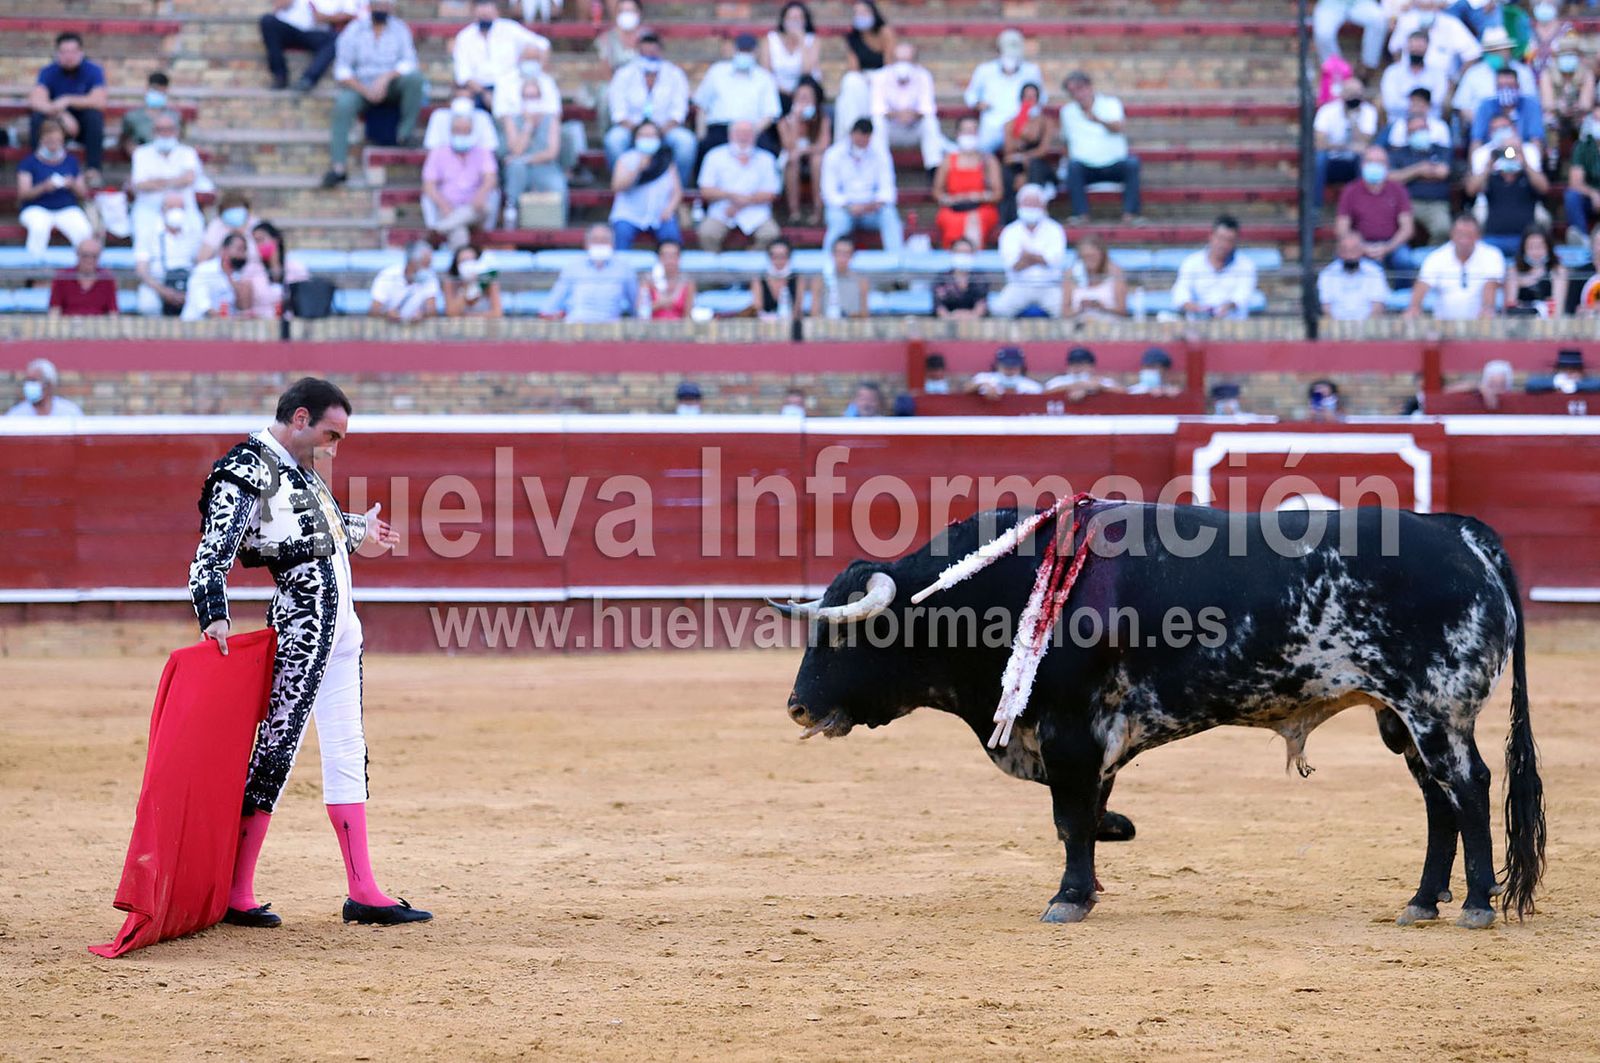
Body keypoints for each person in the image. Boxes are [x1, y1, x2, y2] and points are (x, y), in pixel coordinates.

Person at [189, 378, 428, 929]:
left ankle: (363, 890)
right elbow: (213, 552)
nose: (334, 447)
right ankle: (235, 890)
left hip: (342, 625)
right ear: (300, 418)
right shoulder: (246, 467)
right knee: (277, 750)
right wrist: (214, 613)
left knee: (348, 747)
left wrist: (360, 529)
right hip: (301, 623)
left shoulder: (301, 470)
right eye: (330, 434)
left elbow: (313, 530)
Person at [322, 0, 426, 189]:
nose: (381, 9)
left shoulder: (399, 29)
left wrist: (385, 79)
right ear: (369, 7)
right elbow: (342, 70)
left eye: (384, 5)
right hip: (362, 86)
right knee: (343, 106)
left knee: (416, 80)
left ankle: (405, 135)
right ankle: (339, 167)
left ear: (391, 8)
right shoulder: (354, 30)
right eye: (377, 5)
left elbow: (409, 62)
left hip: (392, 84)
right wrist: (365, 90)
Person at [605, 32, 696, 185]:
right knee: (614, 140)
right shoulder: (624, 74)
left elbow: (678, 112)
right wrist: (640, 131)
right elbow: (618, 112)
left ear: (660, 51)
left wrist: (657, 132)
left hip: (665, 129)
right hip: (631, 128)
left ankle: (679, 190)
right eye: (644, 53)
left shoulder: (675, 74)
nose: (648, 56)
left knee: (686, 142)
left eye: (652, 53)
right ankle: (623, 184)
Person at [1058, 71, 1142, 226]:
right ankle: (1081, 215)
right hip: (1086, 168)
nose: (1078, 94)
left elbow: (1119, 127)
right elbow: (1066, 142)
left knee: (1132, 164)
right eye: (1072, 92)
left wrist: (1098, 120)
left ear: (1089, 87)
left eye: (1080, 89)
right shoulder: (1067, 112)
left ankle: (1130, 215)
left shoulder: (1110, 104)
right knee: (1072, 167)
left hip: (1114, 164)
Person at [692, 34, 782, 174]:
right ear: (734, 50)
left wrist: (746, 132)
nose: (744, 54)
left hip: (753, 130)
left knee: (769, 151)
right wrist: (701, 134)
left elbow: (770, 114)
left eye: (748, 51)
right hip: (719, 129)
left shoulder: (764, 77)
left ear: (756, 52)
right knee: (704, 148)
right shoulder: (717, 71)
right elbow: (702, 106)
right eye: (741, 50)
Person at [29, 32, 107, 187]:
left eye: (73, 51)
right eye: (64, 52)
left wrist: (67, 100)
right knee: (37, 118)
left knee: (94, 117)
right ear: (57, 54)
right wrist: (61, 114)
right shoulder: (49, 71)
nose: (69, 56)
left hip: (84, 129)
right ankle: (37, 168)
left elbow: (99, 101)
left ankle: (93, 171)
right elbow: (36, 101)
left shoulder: (93, 70)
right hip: (58, 125)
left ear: (81, 53)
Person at [1466, 114, 1549, 256]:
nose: (1501, 132)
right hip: (1485, 206)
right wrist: (1490, 164)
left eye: (1504, 127)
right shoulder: (1484, 153)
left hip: (1528, 203)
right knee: (1476, 218)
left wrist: (1522, 159)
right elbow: (1471, 190)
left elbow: (1544, 187)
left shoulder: (1528, 150)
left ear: (1514, 129)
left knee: (1544, 218)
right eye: (1496, 129)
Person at [696, 120, 782, 252]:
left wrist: (741, 203)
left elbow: (771, 193)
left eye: (747, 133)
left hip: (756, 211)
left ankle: (751, 264)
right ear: (730, 135)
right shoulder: (714, 156)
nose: (743, 137)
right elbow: (705, 191)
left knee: (770, 234)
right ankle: (718, 268)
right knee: (707, 233)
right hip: (722, 210)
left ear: (755, 136)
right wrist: (731, 196)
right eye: (739, 133)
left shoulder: (766, 158)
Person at [452, 0, 549, 115]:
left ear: (496, 11)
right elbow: (463, 75)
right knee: (463, 106)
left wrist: (541, 71)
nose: (484, 13)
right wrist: (484, 94)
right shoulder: (464, 37)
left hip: (511, 86)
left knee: (530, 97)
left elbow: (543, 44)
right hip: (479, 90)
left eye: (487, 9)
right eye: (481, 10)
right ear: (473, 12)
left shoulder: (510, 28)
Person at [820, 118, 903, 252]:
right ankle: (828, 263)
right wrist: (849, 206)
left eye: (866, 138)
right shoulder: (834, 154)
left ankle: (896, 261)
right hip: (843, 208)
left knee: (889, 216)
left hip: (871, 208)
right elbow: (828, 192)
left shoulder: (880, 153)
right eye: (859, 136)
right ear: (852, 134)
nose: (862, 141)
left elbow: (888, 188)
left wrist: (874, 204)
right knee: (838, 223)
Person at [501, 69, 569, 228]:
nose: (531, 100)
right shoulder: (511, 119)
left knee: (558, 185)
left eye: (534, 96)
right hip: (520, 168)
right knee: (516, 168)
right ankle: (511, 213)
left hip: (545, 167)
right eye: (527, 96)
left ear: (541, 97)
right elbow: (516, 150)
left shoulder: (551, 119)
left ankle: (560, 224)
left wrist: (525, 159)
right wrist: (528, 125)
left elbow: (552, 152)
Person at [16, 119, 92, 259]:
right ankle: (35, 273)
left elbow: (83, 193)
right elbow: (23, 194)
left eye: (57, 139)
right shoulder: (28, 162)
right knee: (39, 228)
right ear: (41, 139)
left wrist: (72, 184)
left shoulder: (71, 161)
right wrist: (44, 187)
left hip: (66, 209)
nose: (53, 143)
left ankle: (81, 271)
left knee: (83, 230)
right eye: (49, 139)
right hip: (37, 208)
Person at [422, 113, 499, 250]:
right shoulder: (438, 153)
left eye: (466, 131)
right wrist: (443, 204)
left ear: (472, 132)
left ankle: (438, 229)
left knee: (481, 208)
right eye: (458, 130)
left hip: (476, 210)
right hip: (448, 208)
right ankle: (463, 264)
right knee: (458, 231)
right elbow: (429, 186)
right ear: (450, 131)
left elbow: (491, 179)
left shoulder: (482, 152)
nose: (462, 134)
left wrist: (480, 195)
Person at [988, 184, 1067, 318]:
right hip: (1019, 285)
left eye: (1034, 204)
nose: (1030, 208)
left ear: (1043, 206)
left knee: (1065, 312)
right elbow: (1014, 266)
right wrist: (1038, 258)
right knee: (998, 310)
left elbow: (1053, 261)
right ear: (1019, 206)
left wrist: (1026, 256)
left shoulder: (1055, 229)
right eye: (1027, 204)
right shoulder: (1010, 231)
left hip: (1049, 285)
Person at [1406, 214, 1505, 319]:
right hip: (1443, 326)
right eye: (1460, 234)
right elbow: (1423, 284)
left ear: (1478, 236)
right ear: (1452, 234)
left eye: (1469, 235)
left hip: (1481, 326)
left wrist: (1487, 310)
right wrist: (1414, 307)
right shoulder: (1437, 257)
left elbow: (1490, 286)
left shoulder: (1492, 255)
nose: (1464, 240)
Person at [129, 110, 203, 250]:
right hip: (149, 210)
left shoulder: (188, 153)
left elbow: (189, 178)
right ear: (153, 132)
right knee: (144, 245)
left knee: (195, 238)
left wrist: (157, 181)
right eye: (160, 130)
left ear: (176, 131)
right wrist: (176, 180)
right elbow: (140, 184)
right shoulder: (141, 154)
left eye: (169, 129)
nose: (165, 133)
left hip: (184, 209)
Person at [1335, 145, 1414, 268]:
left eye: (1380, 162)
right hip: (1360, 244)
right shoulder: (1351, 190)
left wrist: (1387, 248)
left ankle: (1401, 289)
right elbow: (1341, 228)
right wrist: (1361, 247)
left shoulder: (1398, 190)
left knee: (1405, 259)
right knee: (1343, 258)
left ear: (1387, 167)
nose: (1374, 166)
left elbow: (1407, 228)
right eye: (1370, 161)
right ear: (1362, 165)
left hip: (1392, 244)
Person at [870, 40, 944, 173]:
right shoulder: (880, 76)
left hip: (914, 128)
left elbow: (928, 108)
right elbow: (877, 108)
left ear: (915, 62)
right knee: (877, 123)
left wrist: (912, 114)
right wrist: (898, 114)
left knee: (930, 123)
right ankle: (880, 168)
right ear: (892, 61)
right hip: (891, 128)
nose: (903, 65)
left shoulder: (924, 75)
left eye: (907, 60)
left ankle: (934, 169)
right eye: (899, 60)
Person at [965, 29, 1043, 155]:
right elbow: (970, 95)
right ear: (999, 51)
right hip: (992, 123)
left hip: (1020, 124)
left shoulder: (1032, 71)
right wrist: (978, 103)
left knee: (1021, 158)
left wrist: (1030, 117)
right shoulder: (985, 70)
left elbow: (1041, 98)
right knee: (981, 153)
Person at [609, 121, 683, 250]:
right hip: (628, 215)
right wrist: (638, 169)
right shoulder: (626, 159)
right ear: (636, 138)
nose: (647, 139)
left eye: (651, 136)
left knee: (672, 241)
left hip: (660, 215)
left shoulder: (666, 161)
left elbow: (677, 192)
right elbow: (617, 186)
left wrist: (669, 209)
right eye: (643, 135)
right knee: (620, 237)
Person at [1453, 27, 1538, 138]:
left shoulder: (1523, 72)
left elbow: (1530, 103)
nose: (1496, 54)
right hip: (1483, 133)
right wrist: (1486, 126)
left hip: (1520, 131)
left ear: (1508, 50)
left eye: (1499, 50)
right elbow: (1462, 107)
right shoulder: (1473, 73)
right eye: (1492, 51)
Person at [544, 225, 639, 322]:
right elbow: (550, 306)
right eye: (595, 240)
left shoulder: (624, 269)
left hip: (611, 327)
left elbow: (637, 307)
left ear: (613, 245)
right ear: (586, 245)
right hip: (575, 326)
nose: (600, 244)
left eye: (604, 240)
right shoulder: (572, 268)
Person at [1170, 215, 1259, 320]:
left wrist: (1228, 307)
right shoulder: (1192, 262)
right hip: (1198, 325)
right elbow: (1181, 291)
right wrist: (1193, 306)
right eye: (1220, 238)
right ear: (1211, 236)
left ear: (1235, 241)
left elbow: (1243, 295)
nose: (1223, 244)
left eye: (1229, 240)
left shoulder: (1246, 265)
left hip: (1233, 325)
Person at [1387, 108, 1454, 243]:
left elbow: (1443, 172)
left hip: (1436, 204)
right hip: (1406, 203)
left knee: (1443, 228)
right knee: (1394, 229)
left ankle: (1431, 258)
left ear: (1428, 129)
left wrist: (1406, 175)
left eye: (1422, 129)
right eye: (1414, 131)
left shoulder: (1441, 150)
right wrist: (1418, 169)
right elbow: (1391, 178)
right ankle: (1403, 260)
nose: (1419, 133)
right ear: (1408, 133)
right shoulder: (1399, 153)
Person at [933, 116, 1001, 248]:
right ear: (958, 134)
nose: (969, 135)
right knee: (951, 221)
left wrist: (978, 196)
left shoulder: (988, 161)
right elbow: (937, 191)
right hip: (953, 208)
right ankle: (955, 263)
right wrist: (949, 199)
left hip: (982, 208)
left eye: (973, 131)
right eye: (965, 131)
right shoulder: (948, 160)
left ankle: (971, 263)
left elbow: (998, 193)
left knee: (974, 220)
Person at [1313, 77, 1379, 210]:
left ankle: (1363, 209)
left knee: (1366, 159)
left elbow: (1366, 142)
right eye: (1350, 93)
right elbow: (1319, 144)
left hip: (1355, 162)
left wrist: (1353, 121)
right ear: (1342, 94)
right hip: (1331, 161)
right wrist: (1346, 146)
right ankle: (1314, 208)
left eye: (1357, 94)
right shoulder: (1327, 111)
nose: (1353, 97)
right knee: (1319, 158)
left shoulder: (1368, 111)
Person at [834, 1, 894, 144]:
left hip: (883, 77)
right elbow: (853, 67)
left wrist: (874, 79)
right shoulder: (853, 38)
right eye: (857, 13)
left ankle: (861, 135)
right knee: (848, 87)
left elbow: (889, 64)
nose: (861, 16)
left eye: (864, 12)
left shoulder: (885, 32)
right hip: (863, 78)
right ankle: (850, 134)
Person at [135, 192, 203, 316]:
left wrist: (190, 290)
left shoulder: (194, 233)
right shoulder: (148, 233)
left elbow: (200, 264)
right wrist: (163, 291)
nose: (176, 212)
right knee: (147, 305)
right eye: (172, 207)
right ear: (162, 209)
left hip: (188, 284)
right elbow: (142, 270)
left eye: (180, 208)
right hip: (158, 284)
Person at [776, 77, 831, 224]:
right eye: (800, 97)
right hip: (793, 158)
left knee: (817, 160)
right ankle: (794, 211)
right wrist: (795, 120)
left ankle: (818, 210)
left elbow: (823, 145)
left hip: (813, 157)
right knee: (792, 160)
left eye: (808, 98)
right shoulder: (784, 120)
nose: (804, 101)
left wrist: (804, 151)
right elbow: (789, 146)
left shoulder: (822, 118)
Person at [260, 0, 346, 92]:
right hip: (290, 29)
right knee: (267, 20)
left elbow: (349, 14)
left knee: (337, 38)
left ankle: (308, 79)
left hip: (316, 32)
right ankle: (280, 76)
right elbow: (280, 4)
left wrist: (325, 17)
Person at [999, 83, 1054, 225]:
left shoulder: (1045, 122)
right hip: (1017, 166)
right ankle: (1008, 220)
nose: (1030, 101)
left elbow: (1043, 151)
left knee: (1035, 168)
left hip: (1038, 166)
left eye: (1033, 97)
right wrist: (1020, 132)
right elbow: (1008, 152)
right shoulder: (1010, 123)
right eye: (1027, 97)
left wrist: (1025, 158)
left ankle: (1036, 217)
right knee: (1007, 175)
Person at [1386, 0, 1481, 82]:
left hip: (1441, 83)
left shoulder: (1451, 24)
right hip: (1408, 83)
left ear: (1438, 6)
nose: (1426, 12)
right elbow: (1395, 49)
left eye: (1429, 8)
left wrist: (1456, 80)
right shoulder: (1406, 21)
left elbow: (1472, 53)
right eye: (1423, 8)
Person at [182, 232, 267, 320]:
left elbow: (241, 309)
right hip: (196, 325)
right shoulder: (204, 270)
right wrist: (233, 318)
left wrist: (236, 285)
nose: (242, 255)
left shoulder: (238, 275)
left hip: (224, 327)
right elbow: (204, 307)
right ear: (224, 250)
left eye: (244, 250)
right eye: (239, 249)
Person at [1469, 64, 1546, 153]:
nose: (1506, 90)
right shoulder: (1485, 106)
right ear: (1496, 87)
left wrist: (1535, 164)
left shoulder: (1531, 105)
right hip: (1493, 152)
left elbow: (1536, 139)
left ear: (1518, 86)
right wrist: (1474, 165)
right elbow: (1476, 140)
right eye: (1501, 86)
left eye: (1510, 86)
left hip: (1522, 151)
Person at [1318, 230, 1390, 321]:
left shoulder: (1375, 272)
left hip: (1368, 328)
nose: (1349, 256)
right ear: (1338, 252)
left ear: (1361, 251)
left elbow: (1378, 306)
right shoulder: (1327, 274)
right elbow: (1326, 308)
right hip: (1336, 328)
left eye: (1353, 250)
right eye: (1345, 250)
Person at [762, 2, 821, 107]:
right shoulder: (771, 39)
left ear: (805, 21)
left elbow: (807, 71)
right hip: (777, 90)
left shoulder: (812, 40)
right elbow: (766, 73)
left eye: (799, 18)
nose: (795, 21)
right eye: (791, 17)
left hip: (804, 91)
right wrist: (783, 90)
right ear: (784, 20)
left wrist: (802, 41)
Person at [1540, 35, 1592, 153]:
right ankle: (1551, 156)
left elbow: (1586, 104)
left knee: (1588, 124)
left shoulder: (1586, 73)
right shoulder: (1547, 74)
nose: (1568, 58)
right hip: (1556, 113)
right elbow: (1548, 103)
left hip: (1578, 114)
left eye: (1572, 55)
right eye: (1565, 55)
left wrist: (1576, 107)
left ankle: (1586, 156)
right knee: (1548, 120)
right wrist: (1559, 106)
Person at [368, 239, 441, 324]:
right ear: (412, 262)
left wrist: (423, 315)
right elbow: (374, 310)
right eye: (425, 265)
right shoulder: (387, 275)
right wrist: (386, 314)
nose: (428, 269)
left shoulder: (430, 277)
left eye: (429, 265)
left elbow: (432, 311)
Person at [1380, 32, 1450, 120]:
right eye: (1414, 48)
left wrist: (1415, 105)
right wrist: (1418, 105)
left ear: (1427, 48)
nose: (1416, 51)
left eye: (1420, 48)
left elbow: (1438, 100)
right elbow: (1390, 103)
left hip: (1430, 123)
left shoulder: (1438, 73)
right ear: (1407, 47)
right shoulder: (1392, 72)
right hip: (1399, 122)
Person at [1503, 226, 1568, 316]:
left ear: (1548, 247)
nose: (1536, 252)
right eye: (1531, 247)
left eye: (1540, 247)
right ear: (1523, 249)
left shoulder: (1558, 270)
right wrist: (1519, 282)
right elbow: (1510, 308)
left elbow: (1558, 310)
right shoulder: (1513, 270)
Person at [1314, 0, 1388, 77]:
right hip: (1330, 4)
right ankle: (1336, 71)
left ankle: (1367, 67)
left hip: (1361, 3)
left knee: (1379, 20)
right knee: (1323, 34)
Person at [1062, 234, 1128, 320]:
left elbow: (1122, 311)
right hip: (1079, 326)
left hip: (1109, 325)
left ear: (1102, 255)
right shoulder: (1070, 274)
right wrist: (1080, 309)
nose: (1089, 261)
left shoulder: (1115, 272)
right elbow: (1065, 313)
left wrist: (1102, 307)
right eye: (1085, 257)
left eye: (1092, 256)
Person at [251, 220, 309, 318]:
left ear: (276, 240)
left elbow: (303, 297)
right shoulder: (253, 269)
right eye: (256, 241)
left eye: (261, 239)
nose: (259, 245)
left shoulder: (295, 267)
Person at [48, 238, 119, 317]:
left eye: (94, 256)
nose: (90, 260)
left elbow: (113, 312)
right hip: (69, 324)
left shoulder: (107, 278)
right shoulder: (62, 277)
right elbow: (55, 310)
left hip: (97, 325)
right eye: (85, 256)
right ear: (77, 254)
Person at [1565, 101, 1600, 239]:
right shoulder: (1583, 146)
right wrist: (1594, 194)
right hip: (1591, 200)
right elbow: (1575, 183)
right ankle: (1582, 240)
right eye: (1596, 120)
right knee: (1572, 196)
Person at [425, 90, 500, 155]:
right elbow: (431, 149)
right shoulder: (439, 116)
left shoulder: (483, 117)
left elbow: (490, 151)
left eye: (465, 130)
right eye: (457, 129)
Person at [813, 236, 870, 319]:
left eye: (846, 253)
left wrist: (853, 316)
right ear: (832, 254)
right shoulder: (819, 280)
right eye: (839, 253)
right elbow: (814, 314)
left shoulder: (861, 281)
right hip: (826, 328)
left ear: (852, 256)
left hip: (853, 328)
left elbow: (865, 315)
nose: (842, 258)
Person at [120, 72, 180, 150]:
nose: (158, 93)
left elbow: (178, 141)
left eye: (161, 91)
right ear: (147, 89)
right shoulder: (133, 117)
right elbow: (126, 140)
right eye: (155, 89)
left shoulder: (174, 116)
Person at [6, 358, 84, 418]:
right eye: (28, 381)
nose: (29, 385)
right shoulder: (16, 414)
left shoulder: (69, 413)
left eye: (34, 381)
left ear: (49, 384)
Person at [934, 237, 989, 318]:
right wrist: (949, 317)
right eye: (959, 252)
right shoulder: (943, 277)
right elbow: (938, 305)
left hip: (975, 323)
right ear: (951, 253)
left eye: (966, 252)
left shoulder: (979, 277)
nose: (963, 255)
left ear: (973, 254)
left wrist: (971, 316)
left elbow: (982, 302)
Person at [199, 191, 260, 263]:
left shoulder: (255, 224)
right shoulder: (217, 225)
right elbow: (201, 259)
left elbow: (267, 253)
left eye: (238, 208)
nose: (235, 215)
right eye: (231, 208)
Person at [443, 244, 504, 318]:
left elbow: (497, 313)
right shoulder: (451, 283)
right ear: (456, 265)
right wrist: (466, 287)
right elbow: (452, 313)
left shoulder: (489, 281)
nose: (468, 264)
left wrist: (468, 317)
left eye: (471, 260)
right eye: (463, 261)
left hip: (484, 327)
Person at [640, 239, 694, 320]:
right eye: (665, 256)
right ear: (659, 258)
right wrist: (659, 304)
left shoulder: (687, 283)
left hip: (679, 329)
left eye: (673, 256)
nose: (669, 260)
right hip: (652, 329)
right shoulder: (648, 281)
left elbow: (688, 316)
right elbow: (641, 312)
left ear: (679, 258)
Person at [753, 239, 804, 325]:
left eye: (783, 256)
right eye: (774, 257)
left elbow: (797, 310)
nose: (779, 261)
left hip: (790, 326)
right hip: (765, 327)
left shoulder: (797, 279)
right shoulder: (759, 280)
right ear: (769, 258)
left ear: (789, 257)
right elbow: (758, 309)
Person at [1044, 346, 1121, 398]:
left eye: (1082, 364)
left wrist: (1100, 388)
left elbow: (1123, 392)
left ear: (1091, 366)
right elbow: (1043, 394)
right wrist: (1071, 387)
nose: (1077, 368)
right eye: (1073, 364)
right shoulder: (1060, 381)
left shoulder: (1100, 381)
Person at [966, 346, 1043, 396]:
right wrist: (982, 385)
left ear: (1021, 367)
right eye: (1006, 366)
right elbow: (965, 390)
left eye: (1014, 366)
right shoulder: (984, 378)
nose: (1009, 369)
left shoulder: (1032, 386)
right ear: (997, 365)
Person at [1443, 358, 1515, 408]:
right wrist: (1478, 387)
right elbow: (1446, 391)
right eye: (1493, 384)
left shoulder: (1514, 400)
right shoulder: (1477, 394)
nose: (1496, 390)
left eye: (1501, 385)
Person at [1526, 349, 1600, 392]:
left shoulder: (1586, 381)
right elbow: (1531, 383)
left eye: (1573, 369)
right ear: (1558, 370)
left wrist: (1576, 385)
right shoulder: (1554, 380)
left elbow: (1597, 384)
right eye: (1564, 369)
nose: (1569, 373)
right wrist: (1555, 383)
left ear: (1581, 371)